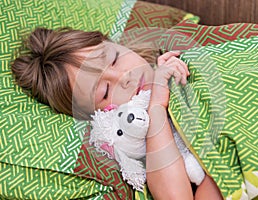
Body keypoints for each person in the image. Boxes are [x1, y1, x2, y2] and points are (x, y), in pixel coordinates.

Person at [11, 27, 223, 199]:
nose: (124, 77)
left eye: (114, 60)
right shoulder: (133, 134)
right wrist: (156, 106)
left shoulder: (175, 51)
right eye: (105, 91)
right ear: (100, 115)